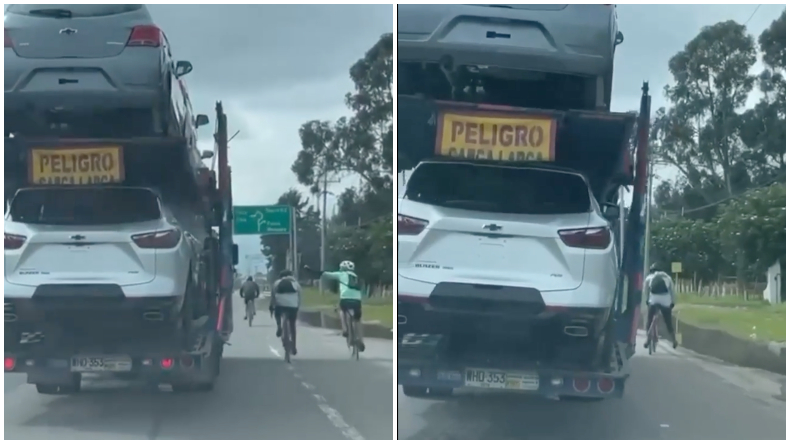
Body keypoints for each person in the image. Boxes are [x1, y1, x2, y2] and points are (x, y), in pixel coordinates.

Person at [305, 260, 366, 352]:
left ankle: (345, 329)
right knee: (358, 320)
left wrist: (310, 271)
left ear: (342, 268)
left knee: (342, 310)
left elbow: (325, 274)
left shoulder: (341, 274)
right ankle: (360, 339)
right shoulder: (356, 277)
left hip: (345, 299)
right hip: (357, 300)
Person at [644, 263, 678, 349]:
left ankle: (647, 339)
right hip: (665, 300)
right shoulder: (668, 277)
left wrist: (647, 300)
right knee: (668, 322)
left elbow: (646, 291)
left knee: (649, 319)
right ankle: (674, 340)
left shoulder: (649, 277)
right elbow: (672, 291)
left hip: (654, 299)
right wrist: (672, 302)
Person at [269, 269, 301, 355]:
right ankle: (293, 346)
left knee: (278, 313)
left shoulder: (277, 283)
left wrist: (272, 306)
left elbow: (273, 297)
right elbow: (299, 297)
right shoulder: (296, 283)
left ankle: (279, 325)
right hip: (293, 306)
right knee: (292, 325)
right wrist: (297, 307)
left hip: (280, 305)